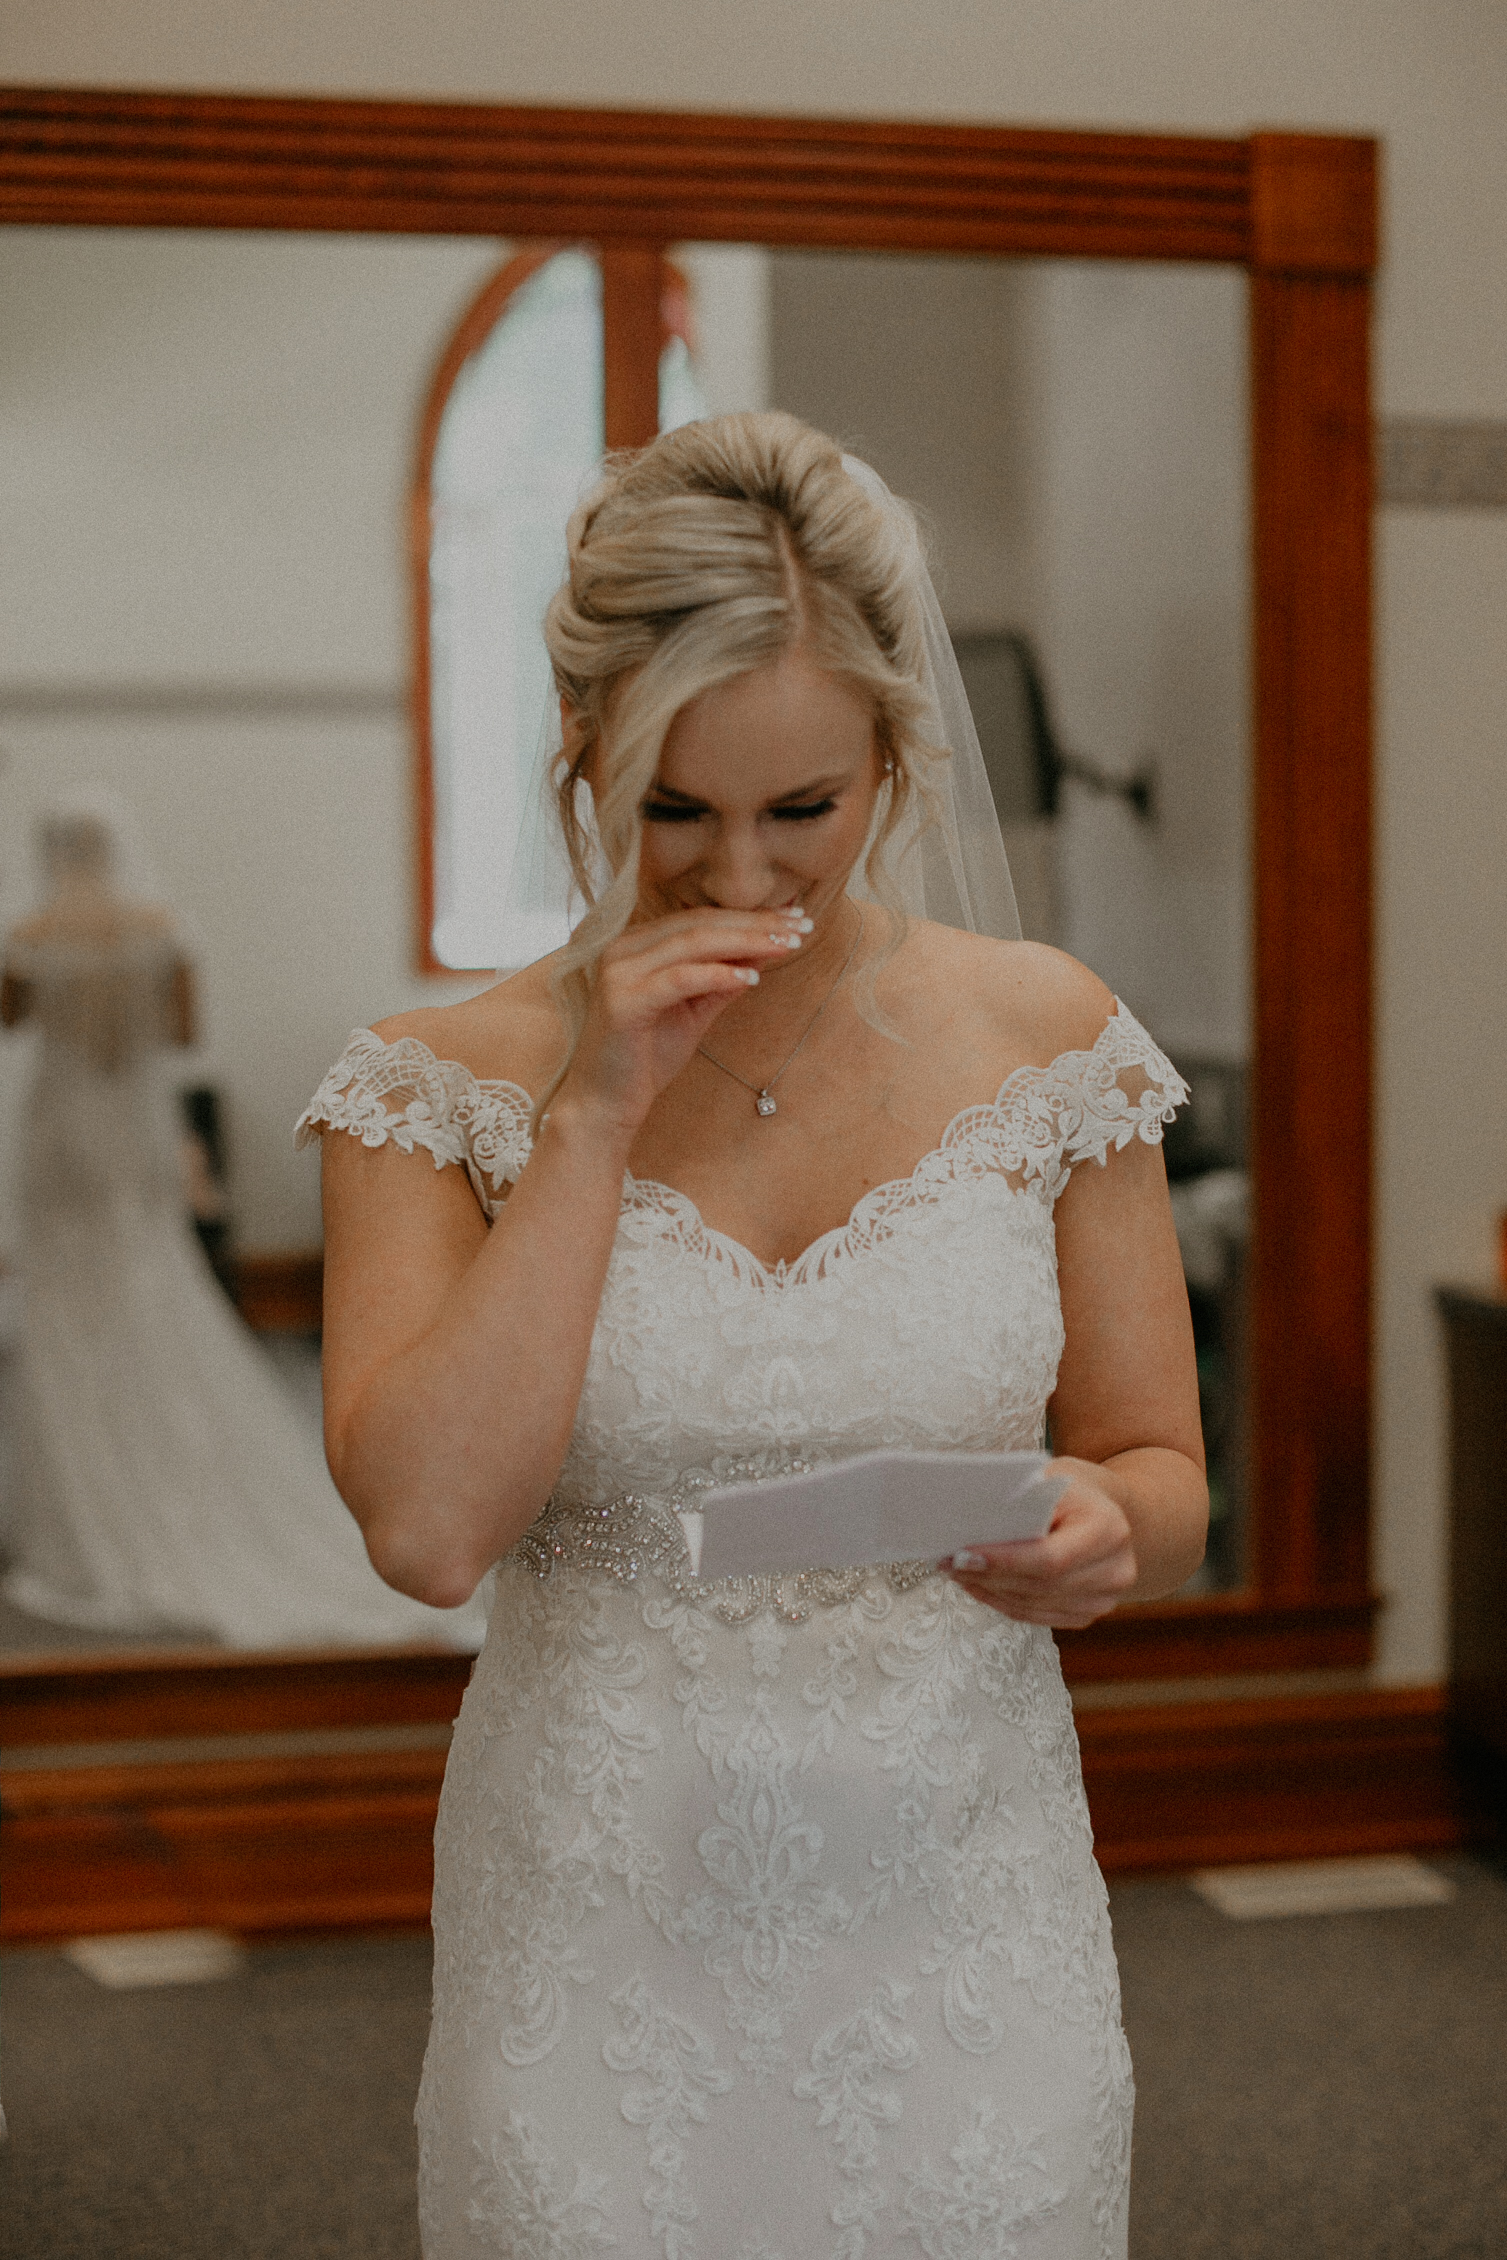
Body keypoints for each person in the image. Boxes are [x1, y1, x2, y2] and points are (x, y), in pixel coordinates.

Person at [298, 413, 1206, 2257]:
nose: (739, 881)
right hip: (601, 1922)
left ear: (892, 752)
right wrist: (593, 1115)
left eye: (803, 809)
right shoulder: (430, 1089)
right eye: (674, 812)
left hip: (962, 1916)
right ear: (583, 757)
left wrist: (1110, 1535)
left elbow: (1165, 1473)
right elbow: (426, 1533)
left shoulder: (1047, 1039)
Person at [1, 793, 484, 1650]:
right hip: (131, 1126)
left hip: (62, 1131)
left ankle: (82, 1522)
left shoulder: (30, 939)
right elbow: (183, 1035)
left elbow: (12, 1024)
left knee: (68, 1311)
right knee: (154, 1287)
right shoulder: (160, 927)